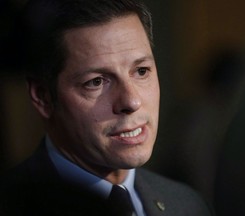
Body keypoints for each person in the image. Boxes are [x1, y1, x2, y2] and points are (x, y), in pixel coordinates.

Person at [0, 0, 212, 215]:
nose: (131, 102)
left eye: (141, 71)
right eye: (97, 82)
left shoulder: (186, 204)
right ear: (43, 97)